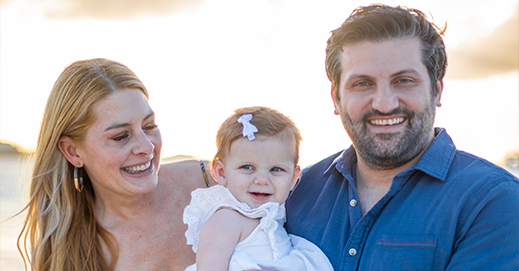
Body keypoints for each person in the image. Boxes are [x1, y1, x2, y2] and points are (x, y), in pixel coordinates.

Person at [284, 4, 519, 271]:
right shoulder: (291, 193)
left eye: (404, 80)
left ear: (437, 91)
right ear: (336, 98)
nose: (384, 104)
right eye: (362, 83)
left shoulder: (494, 200)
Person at [17, 58, 214, 271]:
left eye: (149, 126)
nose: (146, 146)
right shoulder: (71, 255)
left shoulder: (211, 180)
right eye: (120, 137)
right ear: (72, 152)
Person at [183, 107, 333, 271]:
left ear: (293, 178)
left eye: (276, 169)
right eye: (247, 167)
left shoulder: (277, 219)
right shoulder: (225, 220)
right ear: (221, 172)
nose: (262, 180)